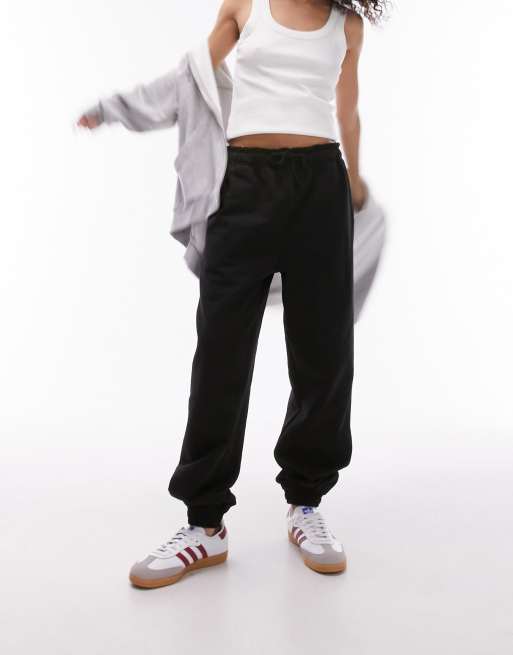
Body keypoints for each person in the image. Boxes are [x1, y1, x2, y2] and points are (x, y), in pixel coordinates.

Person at [77, 0, 389, 587]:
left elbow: (348, 112)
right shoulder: (245, 4)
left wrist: (354, 187)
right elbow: (193, 74)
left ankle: (306, 503)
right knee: (220, 352)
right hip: (243, 185)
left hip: (320, 188)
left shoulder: (347, 24)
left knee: (323, 354)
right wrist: (122, 107)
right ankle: (205, 524)